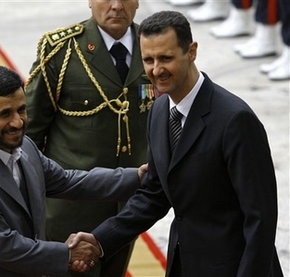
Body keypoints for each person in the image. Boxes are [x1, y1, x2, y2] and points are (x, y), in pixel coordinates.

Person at [69, 10, 284, 276]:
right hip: (183, 265)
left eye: (166, 58)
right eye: (148, 60)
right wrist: (99, 240)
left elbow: (260, 218)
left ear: (191, 51)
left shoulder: (235, 120)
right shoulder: (159, 111)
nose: (156, 70)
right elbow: (154, 194)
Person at [0, 65, 147, 277]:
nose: (18, 122)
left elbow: (69, 182)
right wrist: (68, 254)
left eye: (21, 109)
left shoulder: (25, 146)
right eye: (5, 114)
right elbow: (4, 248)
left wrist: (138, 177)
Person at [25, 0, 152, 276]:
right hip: (71, 206)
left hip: (127, 205)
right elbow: (30, 132)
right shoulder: (63, 49)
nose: (117, 6)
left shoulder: (154, 46)